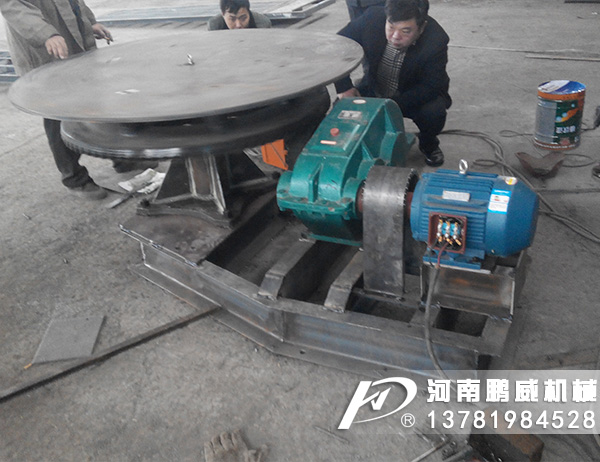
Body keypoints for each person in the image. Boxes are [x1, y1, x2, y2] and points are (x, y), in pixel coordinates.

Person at [1, 0, 153, 200]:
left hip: (72, 37)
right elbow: (13, 5)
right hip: (44, 46)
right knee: (57, 113)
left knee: (96, 100)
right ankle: (74, 178)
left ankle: (122, 159)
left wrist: (89, 22)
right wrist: (46, 34)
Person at [335, 0, 451, 167]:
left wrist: (388, 106)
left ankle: (429, 143)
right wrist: (344, 87)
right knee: (341, 108)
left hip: (410, 95)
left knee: (434, 113)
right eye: (391, 27)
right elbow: (338, 44)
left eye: (405, 31)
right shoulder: (372, 17)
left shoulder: (436, 40)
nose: (395, 36)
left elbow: (430, 87)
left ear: (421, 28)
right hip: (374, 88)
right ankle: (353, 148)